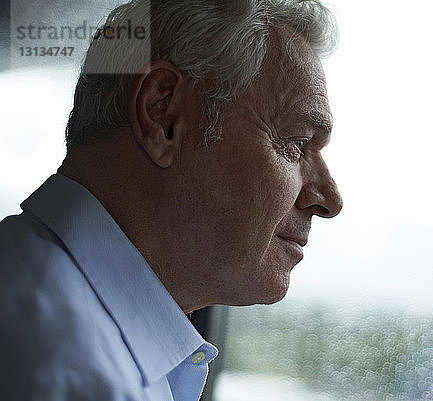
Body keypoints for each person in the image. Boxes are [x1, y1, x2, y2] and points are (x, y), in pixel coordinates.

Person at [0, 0, 343, 400]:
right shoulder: (72, 372)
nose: (329, 199)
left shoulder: (40, 297)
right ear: (163, 114)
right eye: (297, 144)